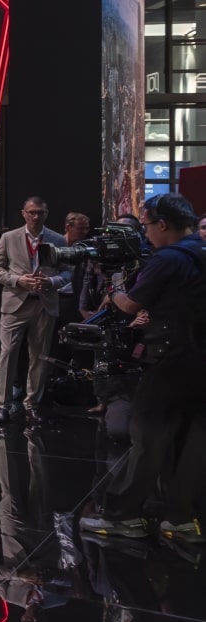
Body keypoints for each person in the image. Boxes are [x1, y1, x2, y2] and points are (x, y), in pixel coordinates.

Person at [81, 194, 206, 542]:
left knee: (147, 439)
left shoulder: (168, 258)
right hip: (199, 362)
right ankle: (183, 519)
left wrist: (113, 291)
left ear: (162, 224)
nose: (146, 234)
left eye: (148, 226)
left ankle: (123, 516)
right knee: (190, 442)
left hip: (169, 360)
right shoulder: (201, 251)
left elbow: (129, 304)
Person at [0, 196, 67, 422]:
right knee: (7, 354)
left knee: (39, 357)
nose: (35, 216)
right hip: (15, 303)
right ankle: (2, 405)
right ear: (23, 213)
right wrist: (17, 280)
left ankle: (32, 404)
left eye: (40, 212)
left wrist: (51, 282)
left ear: (46, 214)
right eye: (31, 212)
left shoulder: (58, 239)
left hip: (44, 303)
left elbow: (68, 271)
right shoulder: (9, 237)